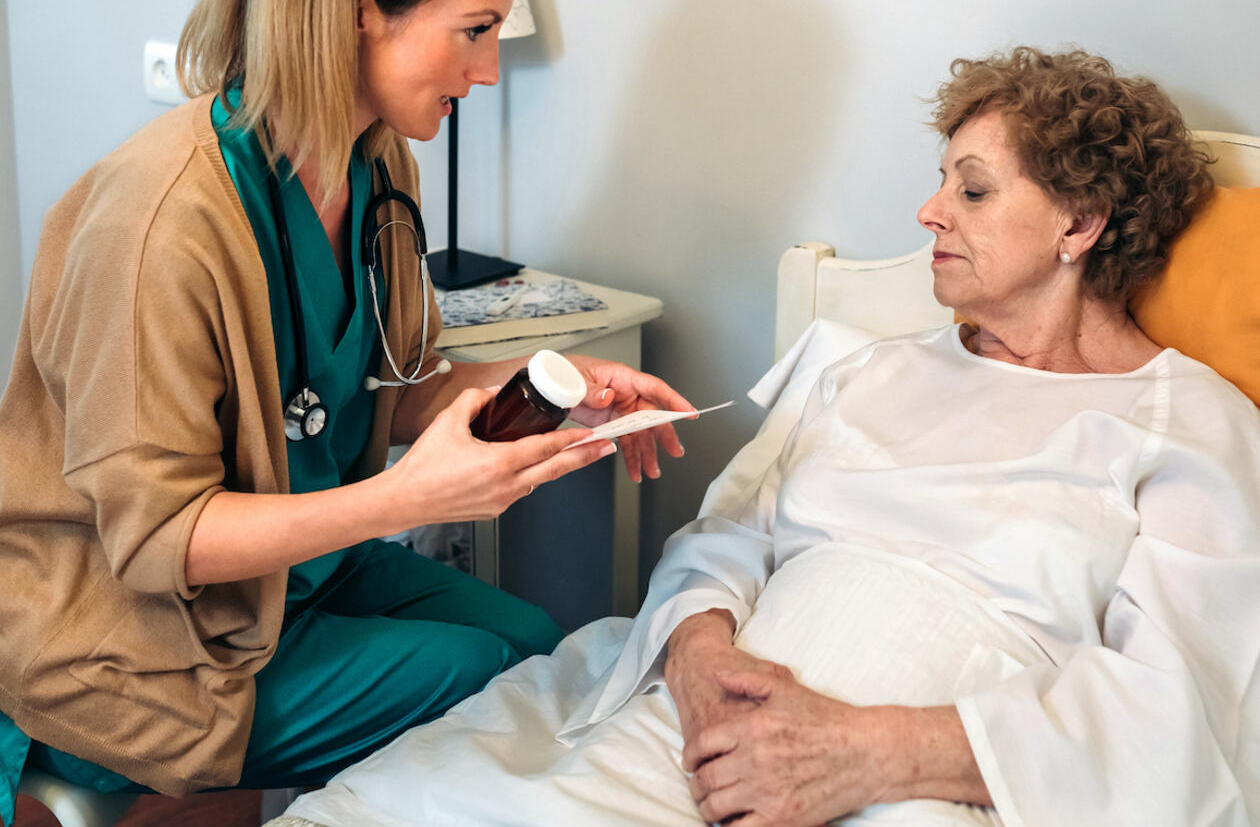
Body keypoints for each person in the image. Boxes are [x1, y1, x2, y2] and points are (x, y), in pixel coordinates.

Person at [273, 47, 1260, 827]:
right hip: (696, 735)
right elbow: (723, 538)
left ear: (1079, 223)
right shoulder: (870, 366)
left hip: (933, 782)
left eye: (972, 189)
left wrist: (864, 751)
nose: (928, 211)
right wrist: (701, 670)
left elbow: (1173, 710)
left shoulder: (1188, 425)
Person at [0, 0, 693, 825]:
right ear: (363, 5)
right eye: (473, 29)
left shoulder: (379, 172)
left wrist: (549, 389)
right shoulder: (157, 220)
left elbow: (388, 394)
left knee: (552, 654)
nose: (489, 69)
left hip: (293, 582)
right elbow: (158, 543)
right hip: (134, 635)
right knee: (485, 675)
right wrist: (413, 498)